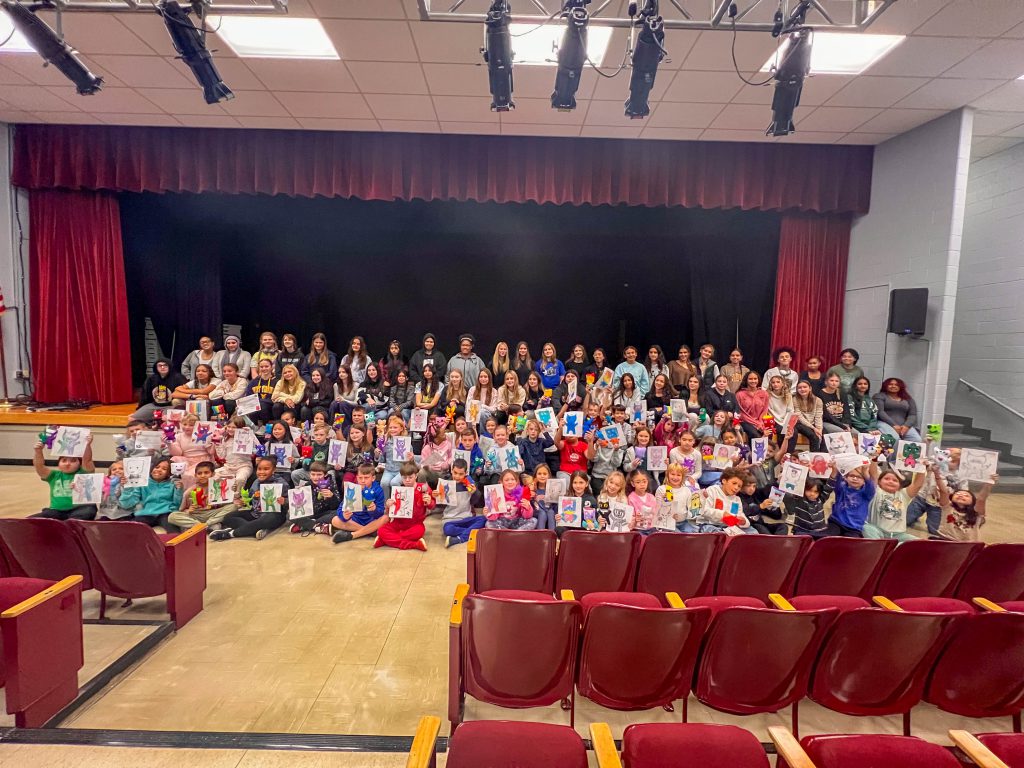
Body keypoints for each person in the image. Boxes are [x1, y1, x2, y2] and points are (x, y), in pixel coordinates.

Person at [210, 457, 291, 541]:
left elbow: (291, 502)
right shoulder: (256, 482)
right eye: (259, 469)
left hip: (274, 515)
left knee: (268, 519)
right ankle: (254, 529)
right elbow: (250, 499)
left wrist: (284, 501)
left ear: (274, 470)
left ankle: (231, 533)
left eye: (266, 469)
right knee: (229, 517)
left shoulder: (281, 483)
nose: (262, 472)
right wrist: (245, 501)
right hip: (255, 513)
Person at [33, 431, 97, 519]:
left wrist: (87, 445)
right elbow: (39, 466)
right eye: (64, 460)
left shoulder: (84, 472)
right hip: (56, 511)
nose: (68, 463)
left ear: (79, 464)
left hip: (80, 510)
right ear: (58, 463)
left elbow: (88, 460)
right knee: (35, 519)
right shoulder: (54, 475)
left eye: (73, 461)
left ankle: (69, 525)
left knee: (88, 511)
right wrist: (38, 451)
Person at [375, 461, 433, 551]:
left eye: (410, 477)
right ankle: (414, 544)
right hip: (398, 523)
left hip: (415, 524)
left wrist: (429, 502)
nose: (407, 480)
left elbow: (431, 506)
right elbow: (390, 513)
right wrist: (388, 505)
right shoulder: (398, 490)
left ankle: (386, 540)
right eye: (404, 478)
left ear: (416, 476)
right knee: (381, 531)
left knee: (419, 531)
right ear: (401, 478)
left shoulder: (423, 488)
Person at [862, 463, 927, 542]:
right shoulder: (876, 491)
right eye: (886, 479)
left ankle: (895, 548)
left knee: (921, 543)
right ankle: (880, 547)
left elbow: (917, 485)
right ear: (879, 482)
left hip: (899, 535)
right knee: (866, 528)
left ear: (900, 485)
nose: (890, 482)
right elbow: (873, 475)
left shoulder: (904, 495)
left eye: (895, 480)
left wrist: (922, 467)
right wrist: (874, 459)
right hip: (878, 532)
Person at [168, 460, 236, 533]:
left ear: (213, 474)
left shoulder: (218, 486)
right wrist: (189, 510)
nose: (203, 476)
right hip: (196, 515)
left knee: (234, 506)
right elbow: (182, 510)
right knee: (172, 516)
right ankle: (205, 527)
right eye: (199, 473)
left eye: (206, 473)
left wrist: (231, 491)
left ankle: (205, 525)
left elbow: (227, 506)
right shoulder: (189, 491)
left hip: (212, 514)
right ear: (195, 475)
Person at [117, 457, 183, 529]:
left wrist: (178, 490)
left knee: (173, 530)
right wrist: (127, 488)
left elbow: (177, 504)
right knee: (132, 529)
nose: (159, 470)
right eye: (157, 467)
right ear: (151, 469)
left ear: (168, 473)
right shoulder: (142, 482)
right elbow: (126, 504)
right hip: (146, 514)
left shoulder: (173, 483)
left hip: (166, 513)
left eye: (164, 469)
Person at [690, 467, 757, 534]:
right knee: (715, 532)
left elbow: (741, 515)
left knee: (753, 532)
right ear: (724, 481)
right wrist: (722, 514)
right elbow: (704, 510)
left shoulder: (737, 500)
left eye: (739, 486)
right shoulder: (712, 490)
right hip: (709, 524)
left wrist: (744, 522)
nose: (736, 488)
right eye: (734, 483)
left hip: (728, 527)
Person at [935, 467, 994, 542]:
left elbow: (981, 499)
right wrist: (937, 474)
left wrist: (989, 483)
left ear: (973, 501)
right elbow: (943, 491)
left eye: (966, 495)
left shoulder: (976, 513)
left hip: (968, 545)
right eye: (957, 494)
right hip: (945, 541)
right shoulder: (947, 507)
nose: (961, 495)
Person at [441, 458, 486, 546]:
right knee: (447, 529)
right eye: (455, 473)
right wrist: (437, 497)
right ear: (451, 470)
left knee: (483, 519)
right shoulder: (446, 483)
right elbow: (442, 505)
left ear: (466, 473)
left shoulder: (470, 484)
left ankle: (460, 538)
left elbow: (473, 502)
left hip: (466, 518)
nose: (457, 476)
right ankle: (472, 532)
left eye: (461, 474)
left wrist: (475, 493)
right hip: (450, 520)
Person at [827, 461, 877, 537]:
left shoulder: (866, 494)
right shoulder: (841, 489)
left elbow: (870, 485)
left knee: (852, 544)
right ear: (846, 478)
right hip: (836, 522)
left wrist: (865, 472)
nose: (855, 478)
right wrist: (839, 466)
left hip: (854, 528)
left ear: (864, 481)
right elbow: (837, 480)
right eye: (852, 476)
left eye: (859, 477)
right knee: (828, 538)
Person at [289, 461, 340, 534]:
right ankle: (318, 527)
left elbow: (337, 506)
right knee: (289, 513)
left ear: (325, 474)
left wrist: (332, 497)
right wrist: (300, 493)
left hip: (324, 513)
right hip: (310, 513)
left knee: (338, 513)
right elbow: (300, 505)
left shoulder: (331, 485)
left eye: (319, 474)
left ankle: (305, 525)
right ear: (310, 475)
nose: (315, 477)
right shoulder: (307, 485)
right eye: (313, 474)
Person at [169, 413, 218, 490]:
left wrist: (210, 442)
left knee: (191, 474)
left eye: (191, 425)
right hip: (187, 460)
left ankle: (196, 492)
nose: (187, 427)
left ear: (197, 426)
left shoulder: (203, 435)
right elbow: (178, 453)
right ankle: (185, 493)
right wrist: (169, 444)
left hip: (202, 460)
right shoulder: (179, 436)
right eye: (184, 424)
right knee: (183, 472)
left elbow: (211, 452)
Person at [781, 380, 823, 453]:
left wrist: (819, 429)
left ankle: (819, 456)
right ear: (797, 389)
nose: (802, 389)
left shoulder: (818, 400)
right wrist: (813, 428)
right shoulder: (794, 400)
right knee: (813, 436)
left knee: (822, 435)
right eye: (800, 388)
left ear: (810, 388)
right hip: (799, 423)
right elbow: (800, 417)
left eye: (805, 387)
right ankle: (789, 455)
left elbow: (818, 416)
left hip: (812, 423)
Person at [377, 415, 413, 496]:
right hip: (389, 470)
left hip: (402, 471)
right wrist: (378, 453)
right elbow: (381, 459)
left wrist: (410, 459)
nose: (392, 429)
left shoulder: (406, 443)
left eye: (395, 427)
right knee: (383, 483)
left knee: (394, 482)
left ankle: (397, 503)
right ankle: (386, 504)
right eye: (390, 427)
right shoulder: (385, 442)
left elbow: (410, 463)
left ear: (401, 428)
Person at [553, 413, 594, 481]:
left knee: (588, 488)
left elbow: (590, 456)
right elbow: (556, 442)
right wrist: (560, 429)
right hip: (565, 473)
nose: (570, 434)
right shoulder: (564, 443)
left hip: (580, 474)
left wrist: (590, 442)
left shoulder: (583, 445)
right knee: (567, 482)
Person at [736, 370, 770, 441]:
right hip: (745, 421)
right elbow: (740, 413)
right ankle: (754, 452)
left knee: (769, 432)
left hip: (761, 421)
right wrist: (756, 424)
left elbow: (765, 410)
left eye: (755, 379)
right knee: (755, 434)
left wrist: (760, 422)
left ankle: (768, 451)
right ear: (746, 380)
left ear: (758, 380)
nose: (753, 381)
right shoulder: (739, 394)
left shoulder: (764, 394)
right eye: (750, 379)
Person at [244, 358, 278, 424]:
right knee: (252, 407)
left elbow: (275, 399)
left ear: (271, 367)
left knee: (262, 405)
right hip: (256, 407)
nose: (264, 368)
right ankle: (255, 426)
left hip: (270, 407)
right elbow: (248, 397)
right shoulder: (253, 382)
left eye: (266, 366)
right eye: (261, 367)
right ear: (258, 368)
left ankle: (266, 425)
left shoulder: (277, 382)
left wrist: (261, 401)